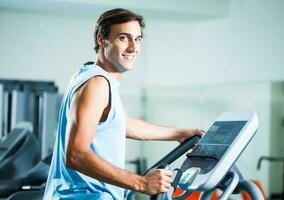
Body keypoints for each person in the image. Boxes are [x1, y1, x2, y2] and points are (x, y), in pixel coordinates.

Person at [43, 8, 204, 200]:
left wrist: (179, 134)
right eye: (123, 38)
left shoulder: (92, 76)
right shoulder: (97, 83)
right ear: (101, 39)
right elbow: (76, 154)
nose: (133, 48)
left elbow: (123, 123)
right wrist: (141, 183)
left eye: (137, 39)